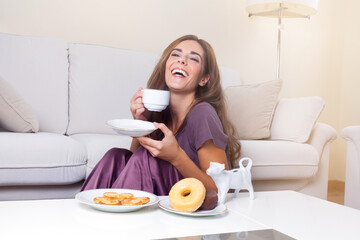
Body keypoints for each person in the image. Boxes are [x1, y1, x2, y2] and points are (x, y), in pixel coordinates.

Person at [80, 35, 241, 195]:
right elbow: (134, 168)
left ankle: (115, 216)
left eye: (193, 59)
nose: (182, 60)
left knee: (145, 157)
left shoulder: (202, 113)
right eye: (176, 55)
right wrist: (140, 124)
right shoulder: (159, 111)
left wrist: (177, 156)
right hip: (159, 189)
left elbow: (221, 189)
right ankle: (86, 214)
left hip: (189, 197)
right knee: (115, 157)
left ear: (204, 79)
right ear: (166, 65)